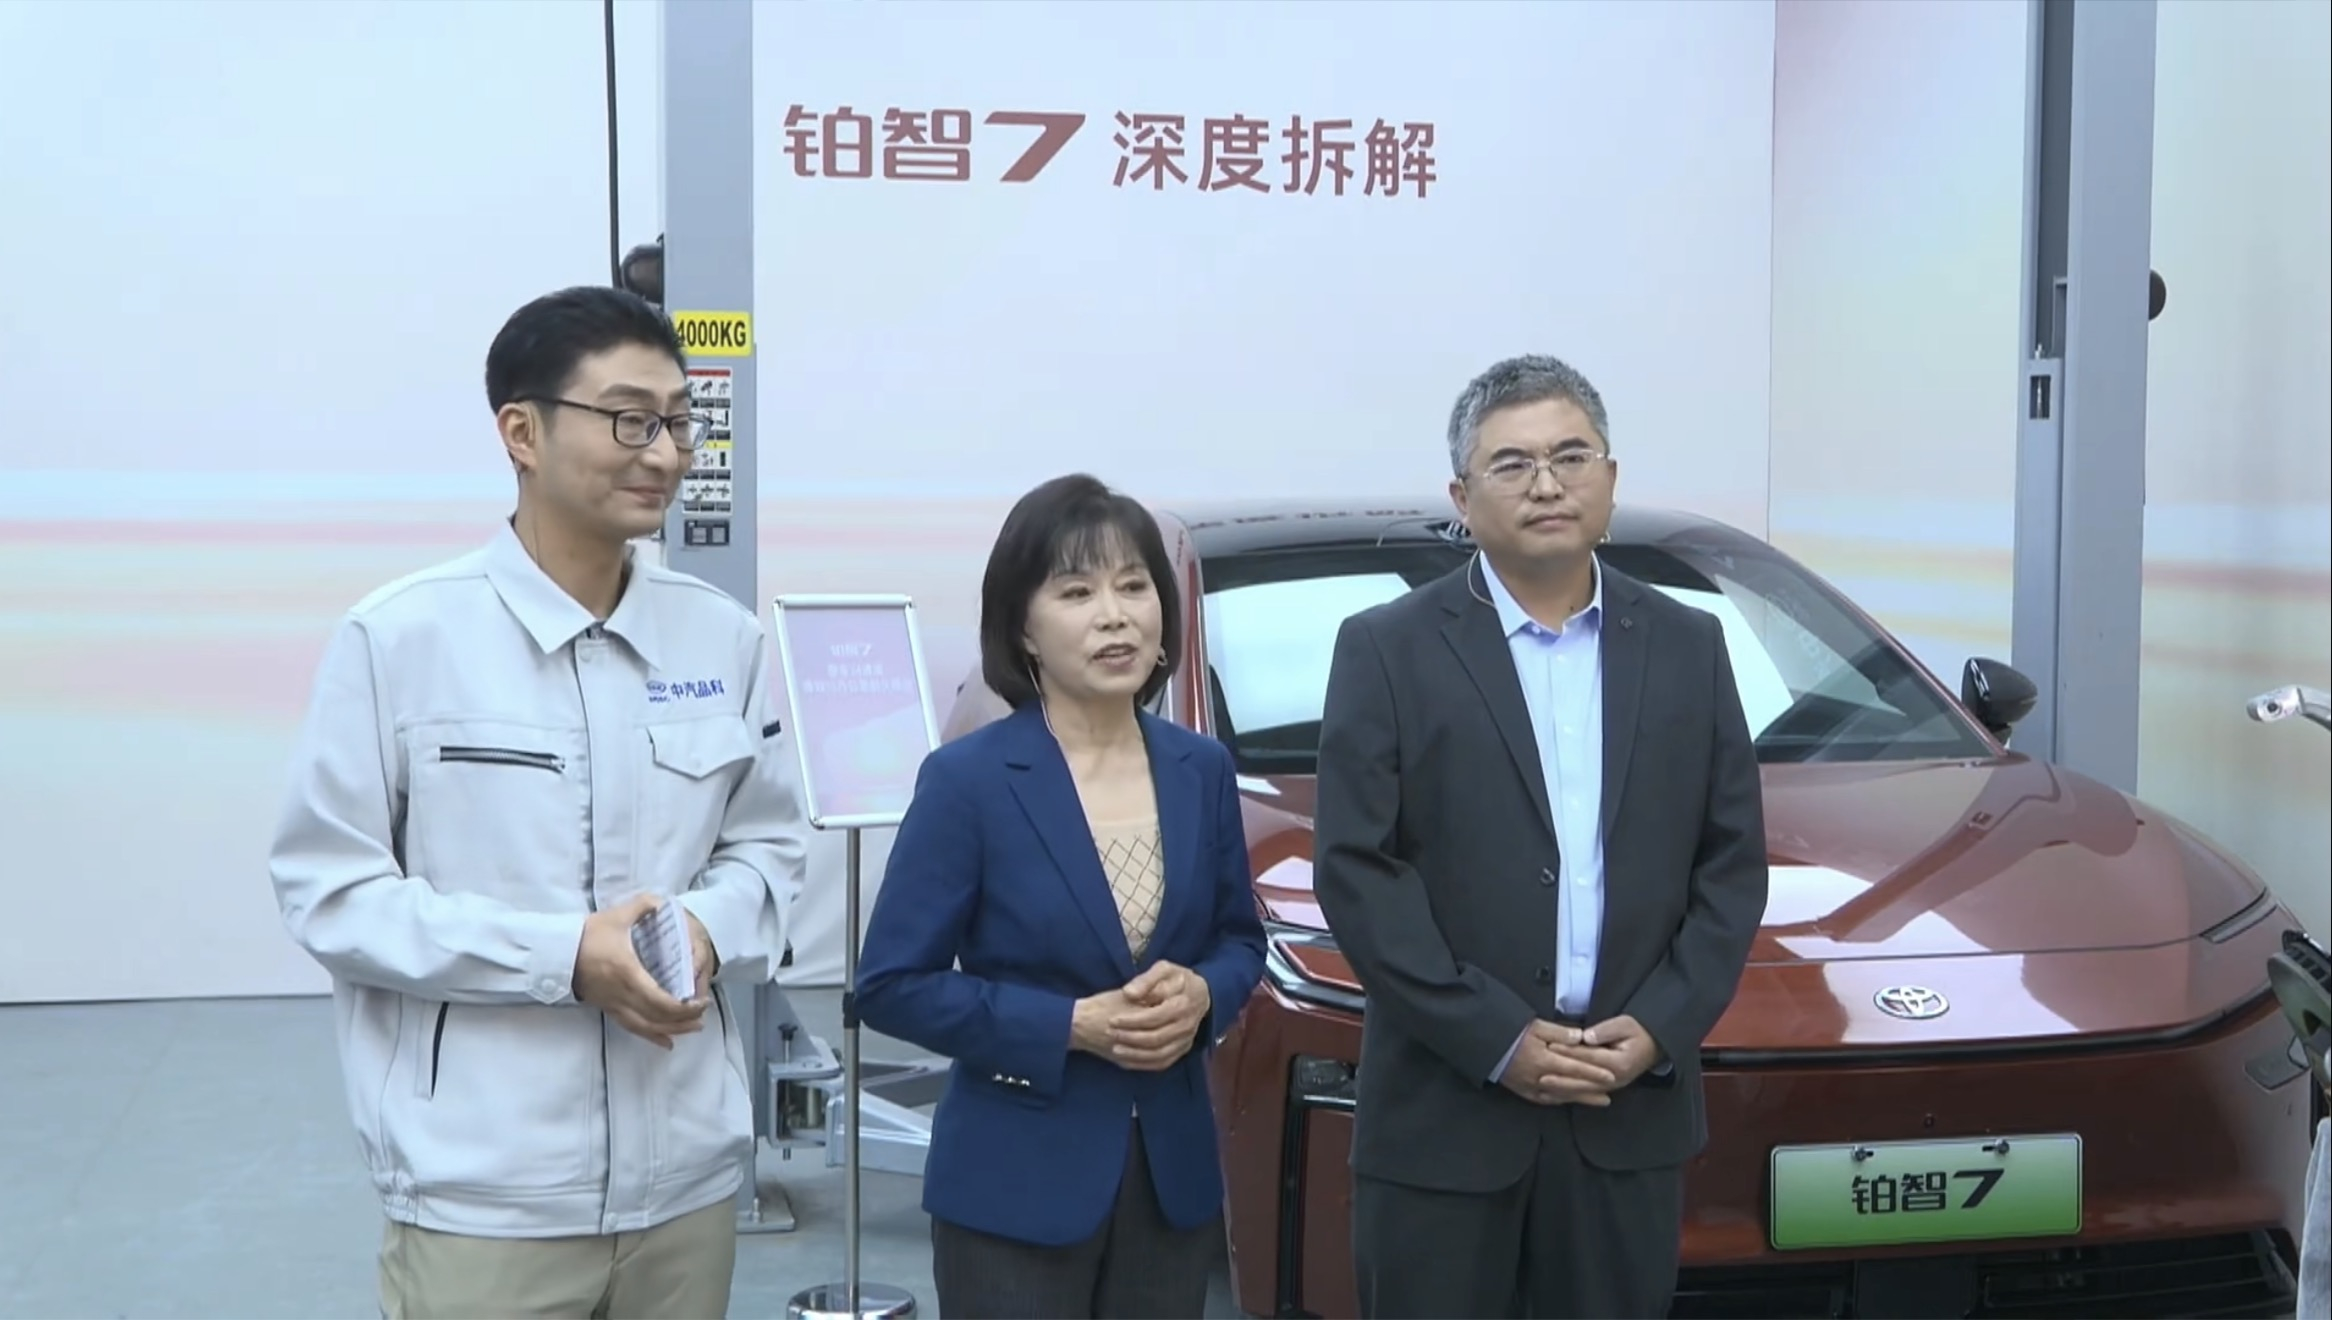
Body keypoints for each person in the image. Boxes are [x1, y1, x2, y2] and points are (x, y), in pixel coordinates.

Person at [267, 285, 807, 1320]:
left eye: (679, 421)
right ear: (521, 431)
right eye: (629, 419)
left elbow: (770, 850)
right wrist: (563, 958)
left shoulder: (720, 638)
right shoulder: (402, 640)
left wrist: (704, 928)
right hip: (488, 1195)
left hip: (688, 1182)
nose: (664, 452)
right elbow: (330, 892)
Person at [1311, 354, 1769, 1318]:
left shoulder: (1689, 645)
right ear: (1461, 497)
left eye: (1571, 456)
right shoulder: (1386, 648)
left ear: (1610, 477)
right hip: (1446, 1114)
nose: (1547, 484)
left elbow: (1730, 864)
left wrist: (1662, 1025)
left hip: (1624, 1106)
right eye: (1512, 464)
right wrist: (1494, 1037)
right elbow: (1358, 873)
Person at [855, 473, 1268, 1319]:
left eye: (1133, 586)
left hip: (1169, 1181)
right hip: (1014, 1185)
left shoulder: (1200, 769)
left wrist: (1202, 996)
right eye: (1077, 593)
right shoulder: (969, 781)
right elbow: (891, 985)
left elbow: (1239, 941)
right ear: (1023, 630)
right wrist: (1070, 1026)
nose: (1115, 616)